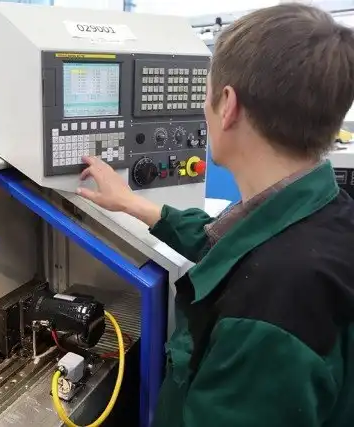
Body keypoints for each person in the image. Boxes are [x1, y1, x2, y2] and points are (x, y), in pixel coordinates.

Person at [77, 4, 354, 427]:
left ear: (228, 105)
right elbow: (228, 243)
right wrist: (134, 204)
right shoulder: (326, 215)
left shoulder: (265, 314)